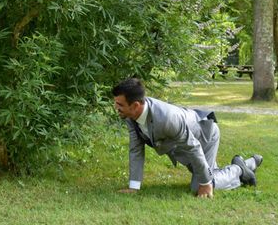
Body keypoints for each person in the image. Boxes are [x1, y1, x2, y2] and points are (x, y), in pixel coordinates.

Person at [112, 78, 262, 198]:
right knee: (209, 173)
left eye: (119, 104)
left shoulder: (166, 118)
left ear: (136, 105)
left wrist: (205, 182)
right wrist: (134, 187)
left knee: (201, 185)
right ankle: (249, 164)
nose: (115, 107)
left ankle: (239, 170)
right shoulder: (130, 115)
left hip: (204, 137)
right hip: (184, 144)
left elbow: (193, 147)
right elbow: (136, 149)